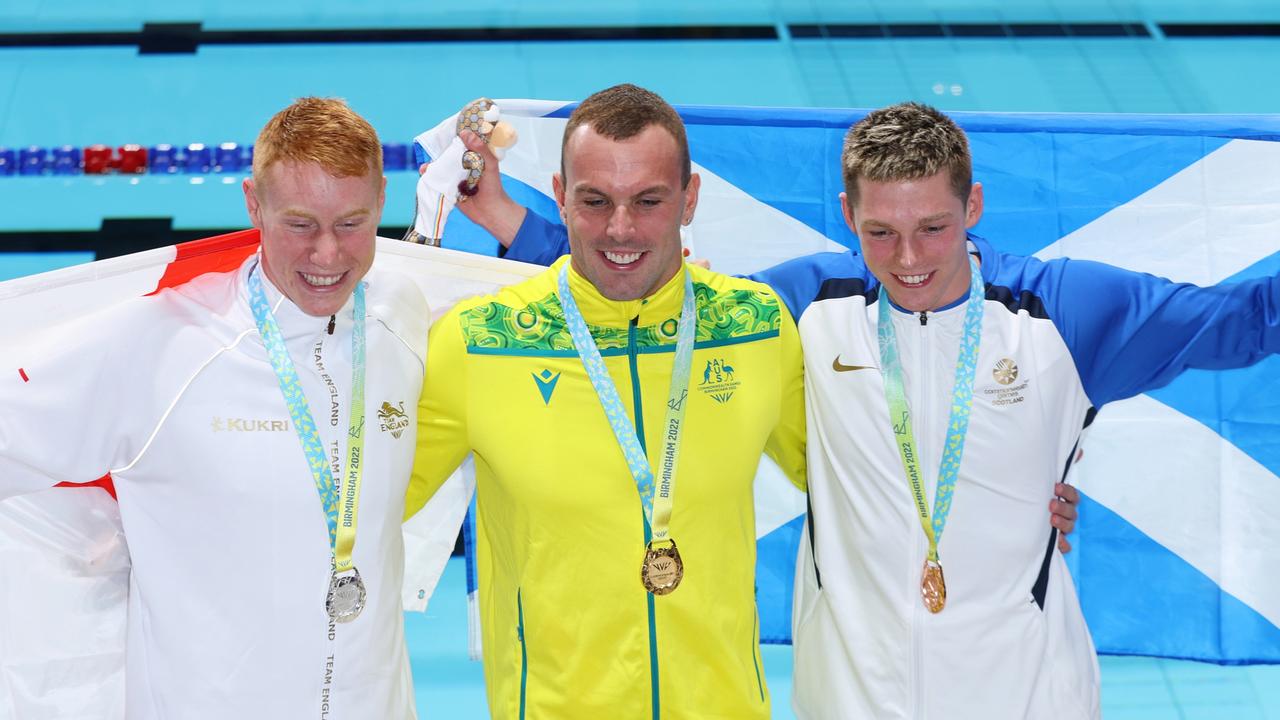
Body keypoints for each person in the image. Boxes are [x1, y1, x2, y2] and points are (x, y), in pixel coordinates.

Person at [439, 98, 1277, 719]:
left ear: (974, 208)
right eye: (881, 233)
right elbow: (647, 292)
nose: (908, 259)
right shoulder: (800, 311)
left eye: (935, 228)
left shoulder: (1065, 311)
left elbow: (1240, 323)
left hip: (1028, 693)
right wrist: (517, 222)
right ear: (847, 217)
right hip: (852, 700)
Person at [0, 97, 428, 719]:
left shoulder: (402, 312)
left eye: (351, 224)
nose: (328, 255)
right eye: (300, 224)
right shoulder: (162, 344)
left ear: (383, 199)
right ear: (253, 204)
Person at [404, 83, 807, 719]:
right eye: (595, 201)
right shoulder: (479, 343)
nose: (621, 229)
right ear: (562, 198)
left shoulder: (757, 326)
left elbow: (858, 484)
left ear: (689, 198)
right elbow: (360, 503)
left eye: (648, 201)